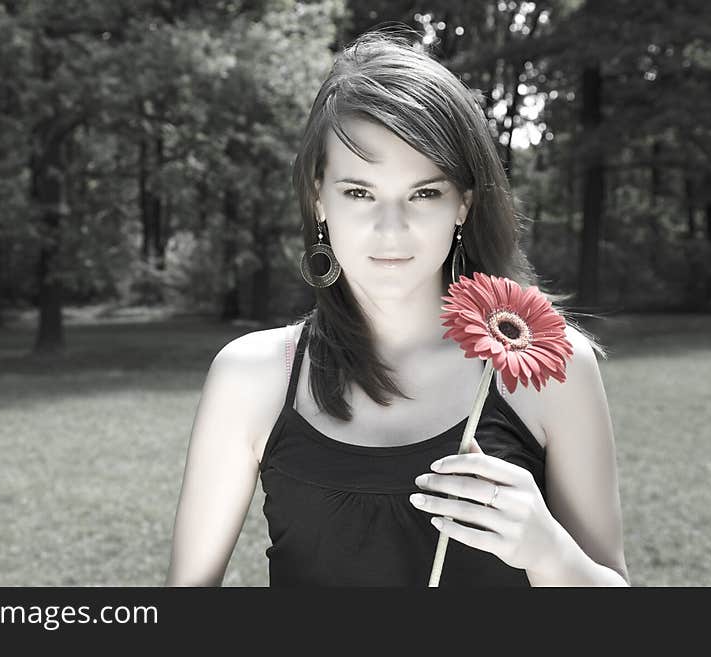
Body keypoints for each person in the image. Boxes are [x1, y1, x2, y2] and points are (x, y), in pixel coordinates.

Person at [164, 29, 630, 587]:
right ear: (319, 198)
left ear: (463, 204)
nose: (391, 229)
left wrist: (550, 551)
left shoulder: (550, 369)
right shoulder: (252, 376)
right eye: (359, 193)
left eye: (424, 193)